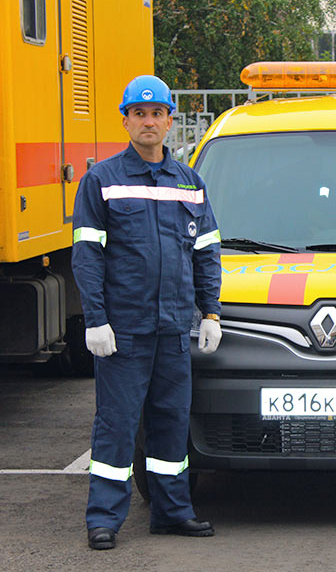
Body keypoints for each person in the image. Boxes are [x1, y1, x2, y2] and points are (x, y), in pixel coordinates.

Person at [72, 75, 223, 549]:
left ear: (169, 121)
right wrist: (95, 319)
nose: (148, 121)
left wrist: (211, 312)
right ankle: (104, 518)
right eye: (139, 114)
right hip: (124, 331)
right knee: (116, 426)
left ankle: (172, 511)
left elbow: (205, 252)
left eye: (157, 113)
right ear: (126, 121)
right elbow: (87, 256)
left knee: (171, 424)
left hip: (175, 327)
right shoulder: (103, 180)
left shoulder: (189, 183)